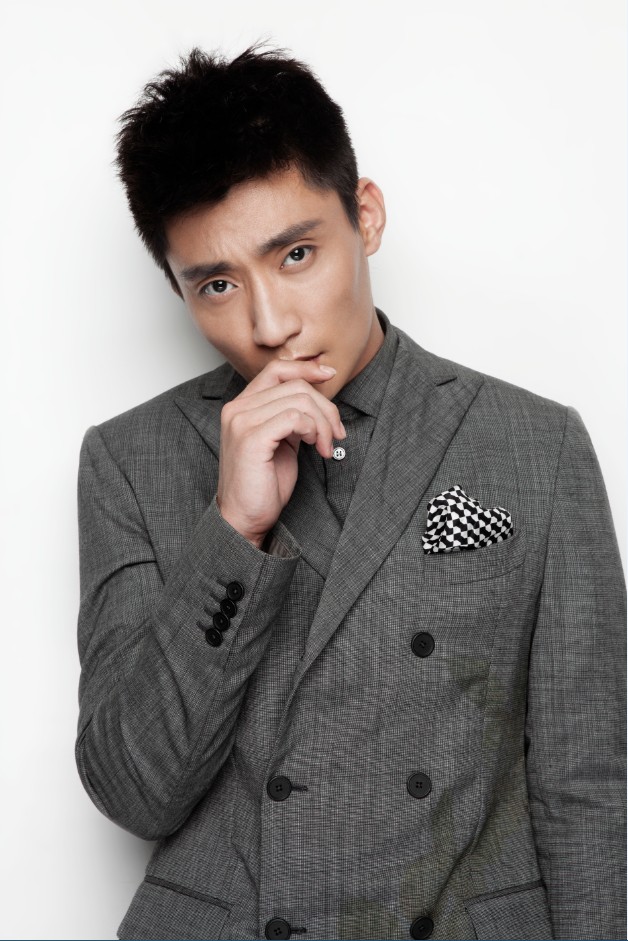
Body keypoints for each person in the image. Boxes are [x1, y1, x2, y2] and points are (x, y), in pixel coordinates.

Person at [75, 44, 626, 941]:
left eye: (296, 253)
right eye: (217, 284)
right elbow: (133, 789)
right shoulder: (130, 459)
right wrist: (234, 529)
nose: (268, 325)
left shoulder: (537, 443)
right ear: (176, 288)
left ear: (364, 215)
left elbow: (590, 783)